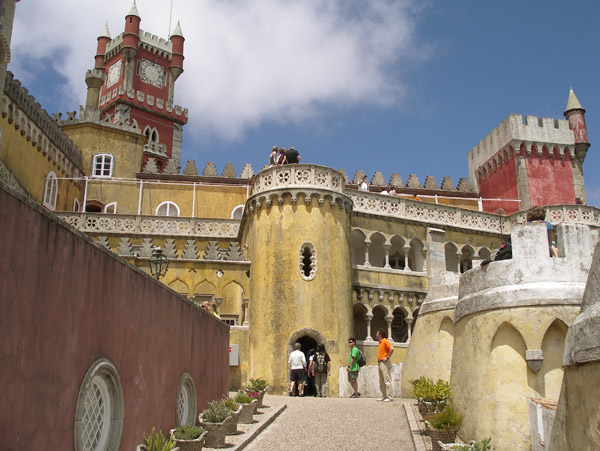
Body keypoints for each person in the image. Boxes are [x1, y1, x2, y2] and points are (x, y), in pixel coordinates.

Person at [375, 328, 394, 402]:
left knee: (387, 380)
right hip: (380, 362)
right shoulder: (380, 342)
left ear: (380, 334)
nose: (376, 334)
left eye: (377, 333)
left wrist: (387, 357)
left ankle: (389, 396)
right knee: (381, 380)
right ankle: (383, 395)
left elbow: (392, 348)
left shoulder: (385, 341)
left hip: (384, 363)